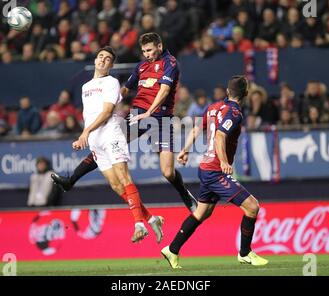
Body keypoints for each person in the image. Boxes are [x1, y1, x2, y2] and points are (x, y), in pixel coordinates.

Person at [51, 32, 198, 212]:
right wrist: (111, 100)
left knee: (168, 172)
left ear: (159, 47)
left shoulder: (171, 63)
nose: (147, 54)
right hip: (137, 114)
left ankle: (184, 194)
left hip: (161, 119)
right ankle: (70, 180)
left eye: (150, 50)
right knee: (108, 141)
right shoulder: (141, 66)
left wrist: (150, 112)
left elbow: (165, 90)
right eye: (144, 51)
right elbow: (126, 89)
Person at [161, 75, 269, 269]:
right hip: (215, 171)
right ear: (245, 93)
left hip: (205, 167)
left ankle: (172, 249)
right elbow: (220, 136)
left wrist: (185, 150)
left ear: (228, 92)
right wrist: (225, 162)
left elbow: (196, 129)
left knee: (202, 213)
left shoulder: (212, 108)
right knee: (252, 207)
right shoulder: (234, 112)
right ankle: (245, 253)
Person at [72, 46, 164, 243]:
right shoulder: (85, 87)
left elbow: (106, 113)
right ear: (95, 60)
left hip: (110, 134)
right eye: (100, 57)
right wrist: (88, 134)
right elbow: (89, 113)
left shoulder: (111, 82)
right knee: (115, 185)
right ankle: (152, 219)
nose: (103, 60)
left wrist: (85, 132)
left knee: (124, 177)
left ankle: (139, 224)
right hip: (95, 141)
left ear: (111, 65)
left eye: (107, 59)